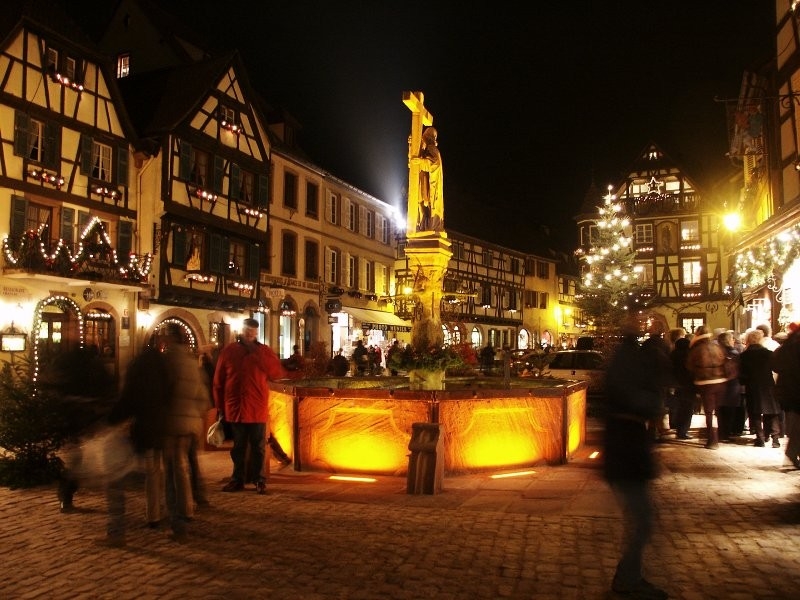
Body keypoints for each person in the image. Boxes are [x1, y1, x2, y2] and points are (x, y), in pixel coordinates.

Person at [602, 317, 668, 600]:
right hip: (626, 449)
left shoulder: (626, 356)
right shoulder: (630, 359)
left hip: (625, 449)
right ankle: (627, 578)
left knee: (641, 518)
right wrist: (654, 405)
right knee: (643, 518)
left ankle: (628, 575)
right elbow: (635, 398)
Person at [98, 343, 173, 546]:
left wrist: (111, 420)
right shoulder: (164, 371)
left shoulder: (139, 371)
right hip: (162, 428)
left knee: (120, 478)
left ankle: (118, 531)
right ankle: (157, 514)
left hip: (144, 430)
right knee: (157, 473)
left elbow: (128, 400)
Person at [213, 318, 285, 494]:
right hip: (236, 408)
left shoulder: (263, 351)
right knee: (238, 447)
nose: (249, 334)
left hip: (256, 407)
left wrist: (259, 355)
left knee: (258, 446)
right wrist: (220, 407)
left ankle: (259, 480)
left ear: (256, 333)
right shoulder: (229, 351)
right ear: (242, 331)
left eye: (252, 332)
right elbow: (218, 381)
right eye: (247, 331)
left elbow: (276, 373)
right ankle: (237, 479)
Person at [44, 347, 116, 512]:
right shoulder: (84, 363)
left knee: (80, 458)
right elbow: (108, 387)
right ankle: (67, 494)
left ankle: (67, 493)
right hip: (83, 418)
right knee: (80, 459)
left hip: (81, 418)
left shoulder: (70, 362)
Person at [159, 324, 211, 541]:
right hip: (191, 423)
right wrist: (195, 416)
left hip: (173, 423)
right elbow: (203, 397)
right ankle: (191, 505)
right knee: (184, 467)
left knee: (172, 472)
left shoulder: (167, 363)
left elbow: (162, 395)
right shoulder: (192, 364)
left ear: (170, 340)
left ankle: (178, 520)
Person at [686, 325, 727, 449]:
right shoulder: (716, 346)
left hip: (705, 382)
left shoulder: (696, 349)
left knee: (709, 412)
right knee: (719, 410)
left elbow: (689, 365)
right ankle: (721, 435)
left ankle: (712, 439)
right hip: (720, 381)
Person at [739, 329, 781, 448]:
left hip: (752, 385)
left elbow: (741, 372)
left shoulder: (744, 355)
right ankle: (775, 438)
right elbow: (775, 367)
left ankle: (760, 438)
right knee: (771, 412)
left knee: (755, 412)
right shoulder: (767, 353)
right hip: (767, 384)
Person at [771, 322, 800, 468]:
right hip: (795, 388)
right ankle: (792, 451)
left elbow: (775, 365)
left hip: (787, 389)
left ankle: (793, 451)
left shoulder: (785, 346)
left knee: (795, 423)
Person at [640, 320, 673, 440]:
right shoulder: (665, 344)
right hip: (661, 380)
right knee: (659, 404)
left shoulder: (647, 344)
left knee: (652, 405)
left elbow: (641, 363)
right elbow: (669, 363)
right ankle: (657, 430)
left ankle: (652, 430)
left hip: (649, 380)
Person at [716, 330, 743, 443]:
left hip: (719, 383)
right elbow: (738, 369)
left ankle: (721, 432)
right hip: (731, 384)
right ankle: (726, 433)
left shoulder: (716, 352)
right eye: (732, 339)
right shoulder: (734, 353)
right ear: (728, 340)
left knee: (720, 410)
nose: (733, 340)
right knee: (729, 410)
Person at [417, 126, 444, 232]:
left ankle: (430, 226)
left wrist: (419, 162)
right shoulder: (429, 150)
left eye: (425, 138)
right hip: (429, 186)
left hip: (433, 186)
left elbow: (433, 164)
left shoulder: (432, 149)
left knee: (431, 206)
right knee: (427, 207)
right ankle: (426, 225)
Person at [670, 337, 695, 439]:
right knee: (687, 409)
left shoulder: (672, 354)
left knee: (677, 407)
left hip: (676, 384)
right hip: (688, 385)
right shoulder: (688, 355)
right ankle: (683, 431)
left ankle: (675, 425)